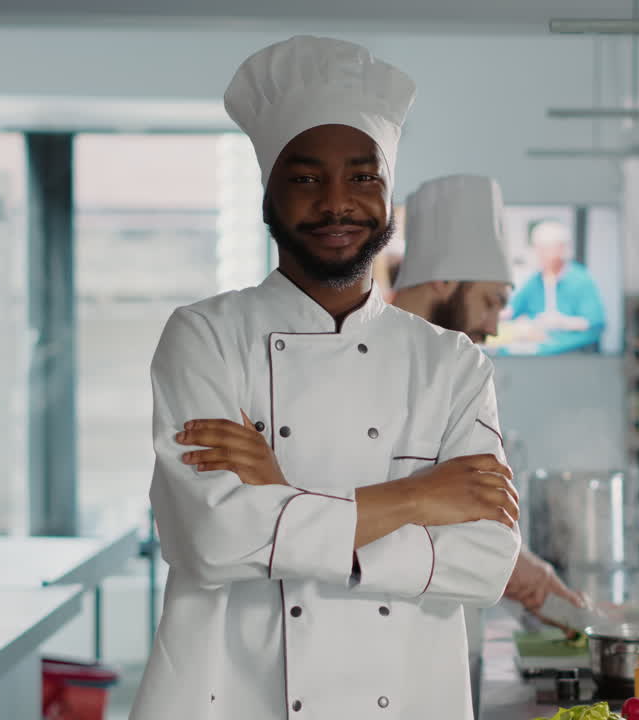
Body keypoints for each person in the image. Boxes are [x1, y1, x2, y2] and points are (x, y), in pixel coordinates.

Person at [131, 37, 521, 720]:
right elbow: (212, 540)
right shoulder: (205, 336)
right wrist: (417, 498)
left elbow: (488, 558)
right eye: (307, 178)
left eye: (362, 177)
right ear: (269, 194)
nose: (337, 203)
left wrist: (279, 501)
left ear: (387, 193)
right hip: (234, 699)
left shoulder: (451, 362)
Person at [391, 174, 588, 715]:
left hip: (450, 631)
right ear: (444, 282)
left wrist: (519, 565)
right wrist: (508, 564)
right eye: (491, 302)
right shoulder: (369, 358)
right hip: (376, 648)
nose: (496, 325)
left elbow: (466, 505)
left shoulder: (457, 366)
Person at [505, 219, 606, 355]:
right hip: (539, 344)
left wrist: (561, 322)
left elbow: (595, 322)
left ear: (561, 249)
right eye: (537, 248)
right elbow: (512, 309)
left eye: (545, 249)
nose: (539, 254)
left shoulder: (580, 280)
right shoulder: (536, 280)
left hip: (571, 351)